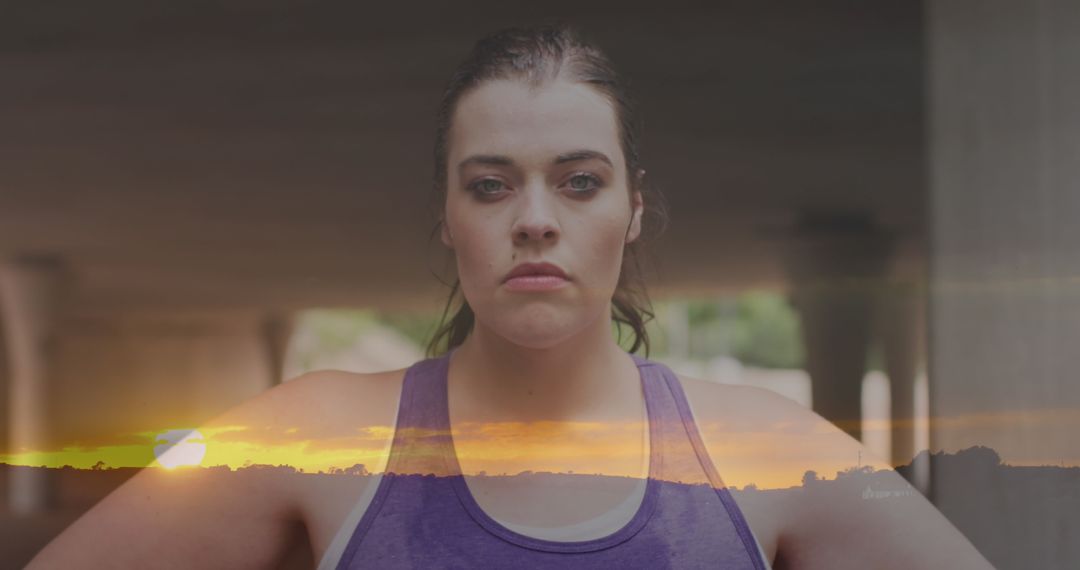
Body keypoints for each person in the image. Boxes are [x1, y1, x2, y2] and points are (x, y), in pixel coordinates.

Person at [27, 23, 995, 569]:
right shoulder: (317, 433)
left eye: (579, 182)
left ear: (634, 210)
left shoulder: (766, 453)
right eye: (491, 185)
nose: (535, 220)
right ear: (449, 217)